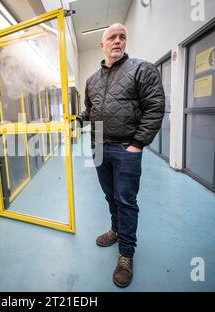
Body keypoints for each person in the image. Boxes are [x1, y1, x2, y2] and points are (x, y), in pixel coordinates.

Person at [77, 23, 165, 288]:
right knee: (109, 195)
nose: (117, 41)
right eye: (111, 37)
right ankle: (116, 230)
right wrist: (78, 120)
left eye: (122, 37)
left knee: (125, 200)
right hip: (99, 147)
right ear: (102, 45)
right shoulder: (91, 80)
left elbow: (155, 107)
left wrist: (137, 144)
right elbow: (90, 110)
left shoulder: (141, 69)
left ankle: (126, 255)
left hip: (126, 148)